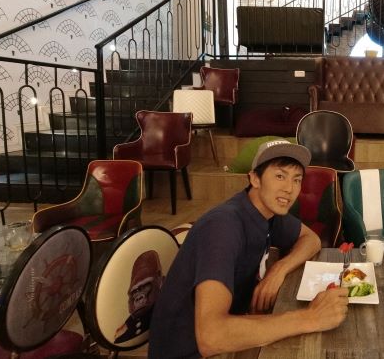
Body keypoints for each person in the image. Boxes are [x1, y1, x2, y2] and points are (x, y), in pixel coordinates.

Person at [148, 139, 349, 358]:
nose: (289, 188)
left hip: (228, 337)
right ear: (254, 178)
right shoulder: (223, 227)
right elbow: (211, 336)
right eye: (280, 176)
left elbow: (311, 240)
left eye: (297, 179)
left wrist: (278, 270)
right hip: (192, 350)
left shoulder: (267, 212)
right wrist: (310, 317)